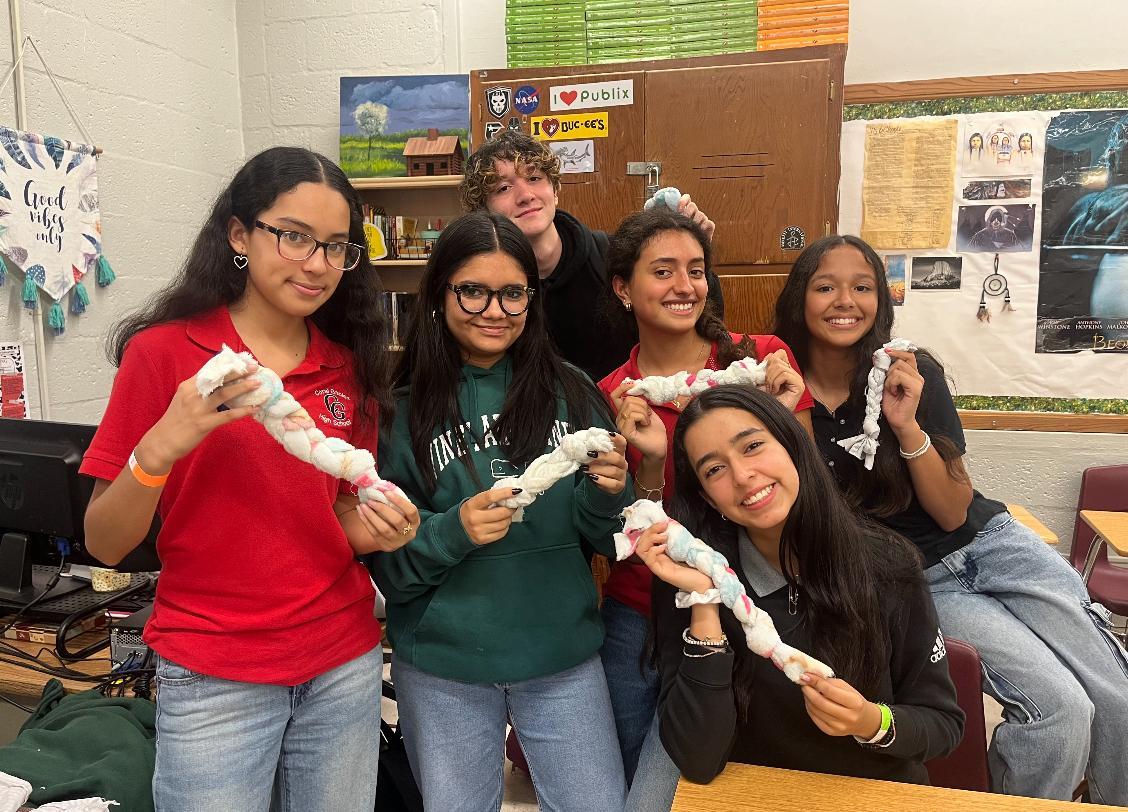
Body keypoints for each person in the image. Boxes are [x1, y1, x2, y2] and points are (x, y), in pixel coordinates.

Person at [80, 147, 418, 811]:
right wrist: (163, 444)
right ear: (239, 234)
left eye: (336, 247)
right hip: (213, 673)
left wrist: (385, 526)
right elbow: (104, 543)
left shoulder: (347, 368)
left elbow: (335, 517)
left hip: (341, 663)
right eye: (294, 236)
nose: (316, 264)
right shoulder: (164, 355)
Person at [773, 234, 1128, 805]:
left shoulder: (911, 372)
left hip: (992, 544)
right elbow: (811, 515)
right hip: (917, 576)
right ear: (799, 299)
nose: (846, 301)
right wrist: (792, 415)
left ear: (880, 299)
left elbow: (952, 509)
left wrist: (906, 424)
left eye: (862, 287)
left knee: (1119, 698)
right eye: (825, 287)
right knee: (1058, 713)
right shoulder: (780, 391)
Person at [372, 211, 633, 811]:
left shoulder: (573, 392)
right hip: (442, 666)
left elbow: (610, 537)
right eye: (473, 291)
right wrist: (452, 531)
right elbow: (390, 570)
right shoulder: (398, 413)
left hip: (561, 654)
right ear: (440, 294)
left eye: (513, 293)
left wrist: (609, 493)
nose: (495, 311)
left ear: (532, 300)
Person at [631, 385, 962, 800]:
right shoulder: (692, 582)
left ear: (793, 446)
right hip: (763, 797)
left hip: (875, 795)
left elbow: (943, 724)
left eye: (752, 446)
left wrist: (869, 721)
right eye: (714, 469)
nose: (742, 475)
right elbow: (698, 759)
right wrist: (705, 603)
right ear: (707, 499)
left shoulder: (888, 564)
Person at [594, 208, 814, 788]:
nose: (685, 286)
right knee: (620, 774)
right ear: (623, 288)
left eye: (695, 270)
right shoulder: (610, 396)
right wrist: (651, 462)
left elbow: (807, 490)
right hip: (637, 609)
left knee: (690, 779)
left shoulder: (760, 361)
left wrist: (777, 418)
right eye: (663, 271)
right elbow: (618, 530)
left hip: (736, 605)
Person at [459, 130, 723, 381]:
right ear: (483, 210)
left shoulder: (614, 257)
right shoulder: (481, 289)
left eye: (534, 178)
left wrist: (694, 260)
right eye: (503, 188)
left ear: (555, 190)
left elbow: (695, 319)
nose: (525, 196)